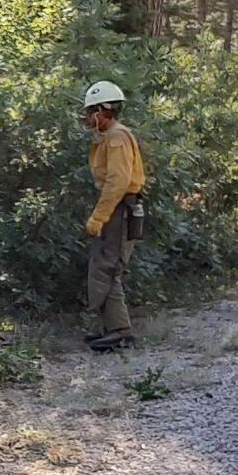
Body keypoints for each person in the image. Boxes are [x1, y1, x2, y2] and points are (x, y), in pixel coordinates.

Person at [80, 81, 146, 353]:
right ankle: (110, 328)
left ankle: (120, 331)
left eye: (90, 112)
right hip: (117, 209)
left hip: (120, 209)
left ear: (103, 110)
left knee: (109, 267)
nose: (87, 118)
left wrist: (98, 218)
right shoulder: (109, 137)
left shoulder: (117, 137)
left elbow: (117, 182)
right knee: (102, 267)